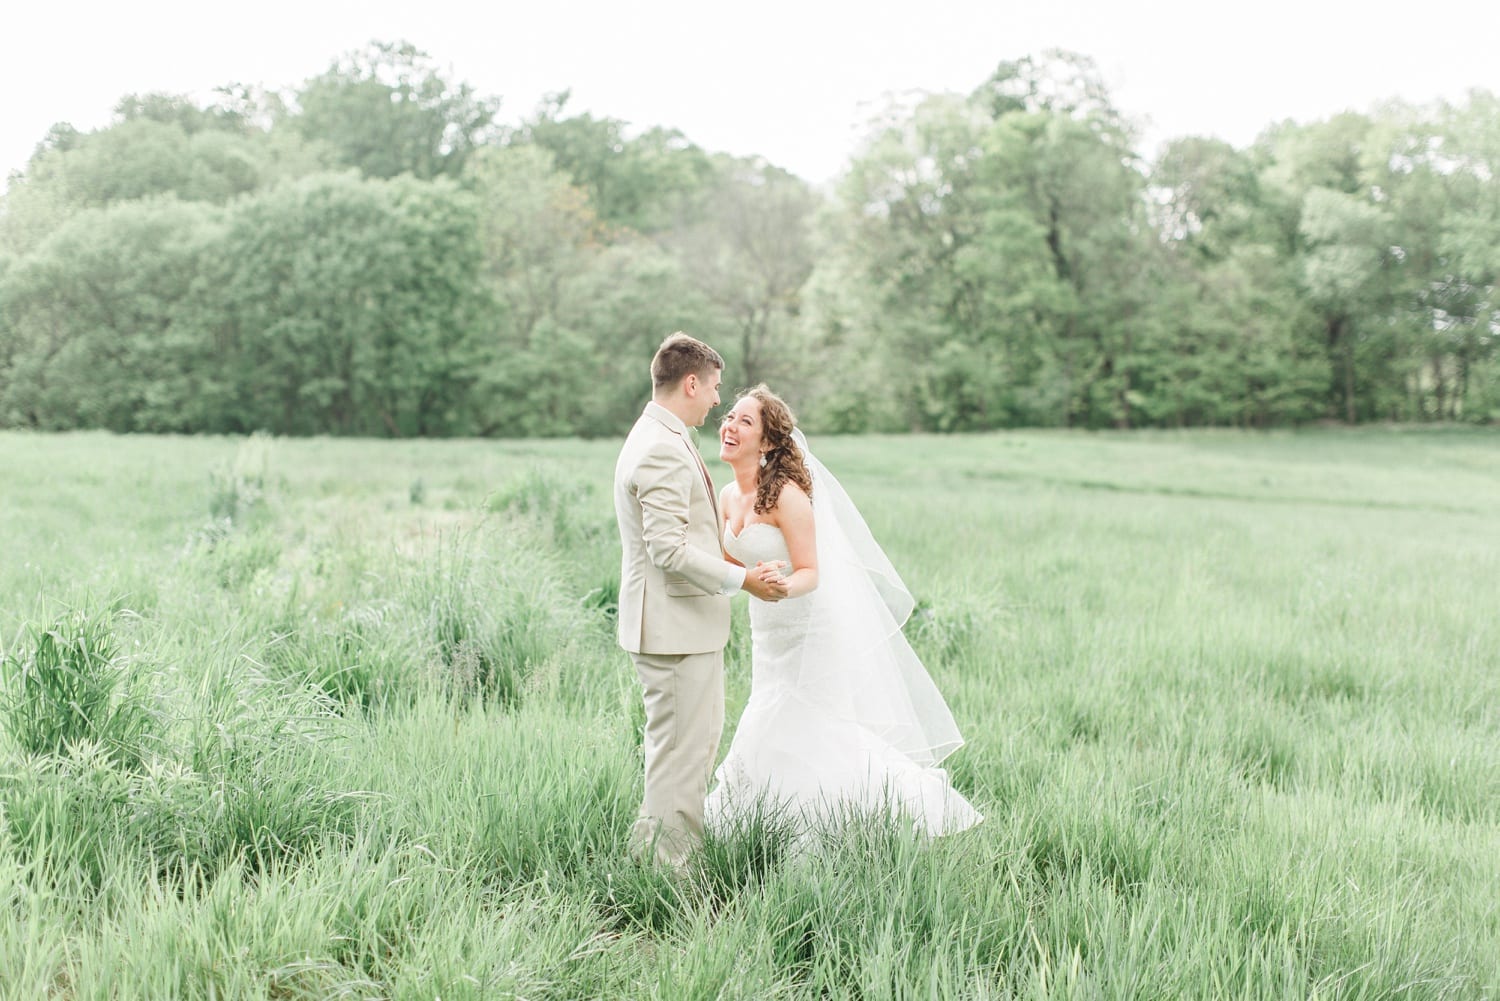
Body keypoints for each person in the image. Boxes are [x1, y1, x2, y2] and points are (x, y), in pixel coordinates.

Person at [706, 384, 982, 838]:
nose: (729, 426)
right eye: (729, 417)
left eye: (744, 421)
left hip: (807, 626)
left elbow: (811, 571)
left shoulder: (787, 496)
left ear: (769, 443)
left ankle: (848, 823)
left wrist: (781, 585)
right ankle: (768, 825)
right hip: (766, 634)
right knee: (775, 720)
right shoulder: (726, 497)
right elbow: (733, 567)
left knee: (805, 724)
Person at [613, 334, 790, 867]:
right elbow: (667, 549)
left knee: (676, 756)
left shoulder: (659, 434)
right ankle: (673, 879)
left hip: (677, 627)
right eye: (713, 388)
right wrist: (744, 582)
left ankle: (647, 862)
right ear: (691, 383)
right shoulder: (662, 448)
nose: (717, 402)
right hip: (674, 630)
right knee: (683, 761)